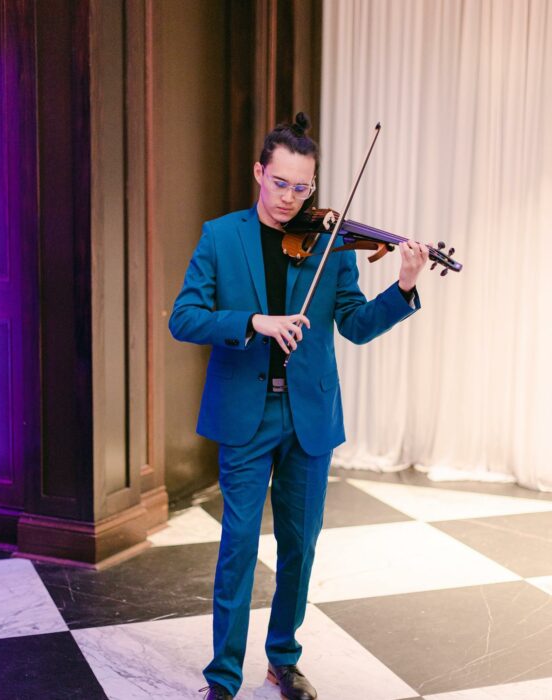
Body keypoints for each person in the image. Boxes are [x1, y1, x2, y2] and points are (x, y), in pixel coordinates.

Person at [169, 113, 429, 700]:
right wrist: (253, 322)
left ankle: (282, 660)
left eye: (302, 187)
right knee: (237, 547)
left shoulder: (332, 243)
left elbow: (356, 326)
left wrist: (405, 285)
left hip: (308, 418)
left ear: (313, 184)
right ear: (260, 172)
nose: (290, 198)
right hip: (245, 414)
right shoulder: (221, 235)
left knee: (300, 547)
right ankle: (223, 678)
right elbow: (184, 317)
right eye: (280, 182)